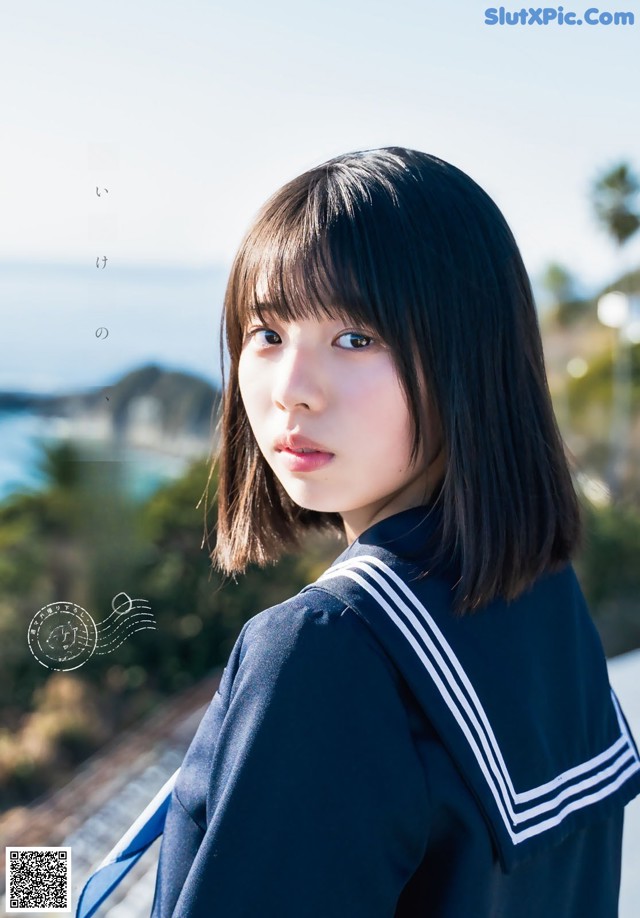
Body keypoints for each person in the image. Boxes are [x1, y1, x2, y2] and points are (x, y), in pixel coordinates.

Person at [150, 147, 640, 917]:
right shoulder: (541, 597)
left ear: (467, 360)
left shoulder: (329, 648)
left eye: (355, 338)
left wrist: (26, 885)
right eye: (266, 332)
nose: (291, 391)